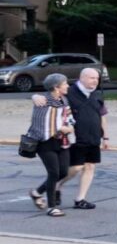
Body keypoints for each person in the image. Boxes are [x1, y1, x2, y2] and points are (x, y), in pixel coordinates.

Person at [24, 74, 76, 216]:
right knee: (53, 173)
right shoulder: (43, 101)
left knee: (63, 172)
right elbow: (41, 124)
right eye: (65, 84)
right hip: (45, 142)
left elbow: (69, 118)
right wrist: (60, 128)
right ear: (56, 87)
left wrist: (69, 127)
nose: (67, 86)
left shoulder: (64, 100)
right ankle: (52, 207)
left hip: (62, 142)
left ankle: (36, 192)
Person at [65, 65, 108, 212]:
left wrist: (106, 137)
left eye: (97, 78)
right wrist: (36, 97)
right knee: (76, 167)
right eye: (92, 78)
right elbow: (50, 96)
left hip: (94, 137)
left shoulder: (96, 94)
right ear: (82, 78)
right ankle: (56, 185)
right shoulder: (69, 92)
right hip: (76, 138)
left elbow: (103, 116)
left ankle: (80, 199)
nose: (95, 81)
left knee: (90, 167)